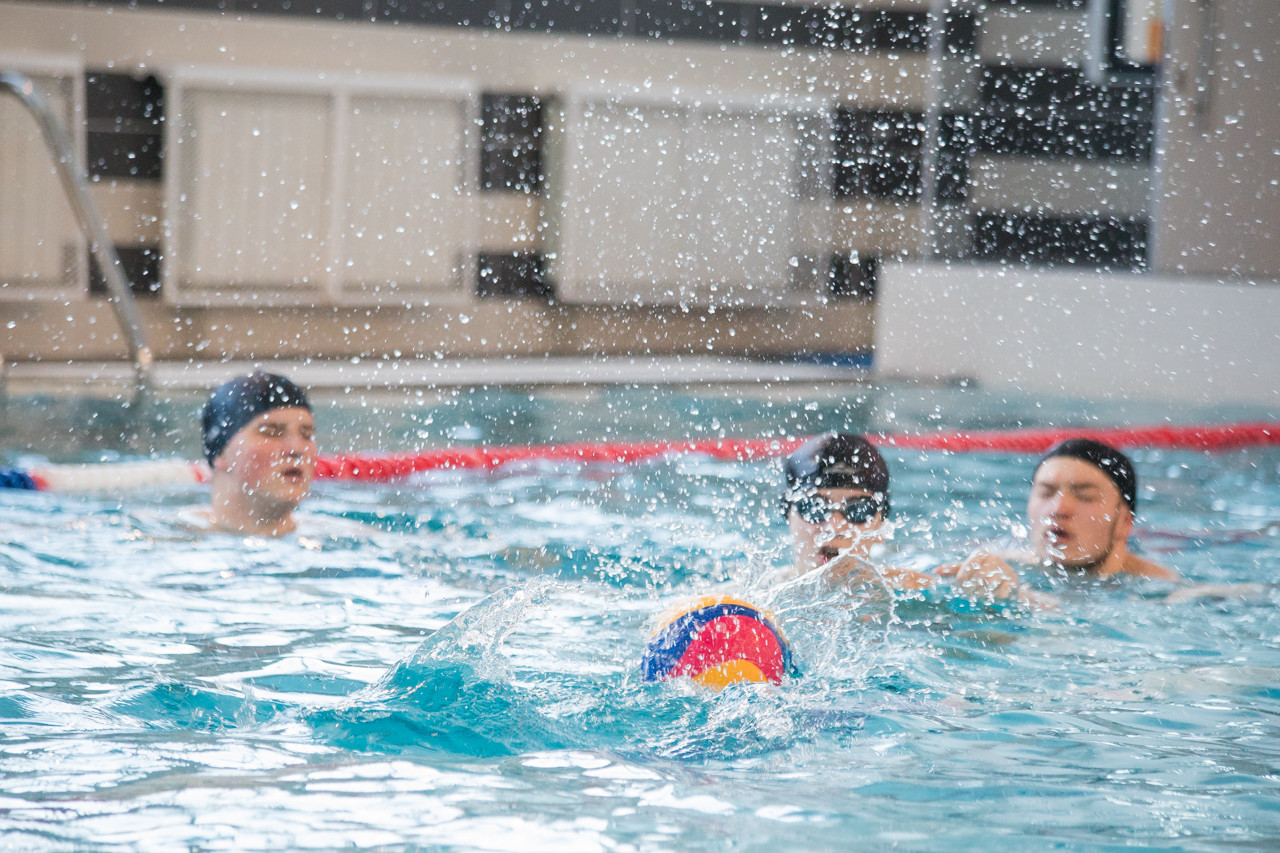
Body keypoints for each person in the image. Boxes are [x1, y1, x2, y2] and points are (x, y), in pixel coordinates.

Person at [941, 438, 1180, 600]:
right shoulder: (998, 563)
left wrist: (1020, 600)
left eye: (1085, 497)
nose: (1058, 509)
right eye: (1046, 493)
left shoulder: (1165, 593)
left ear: (1125, 522)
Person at [772, 432, 933, 593]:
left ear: (881, 524)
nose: (834, 527)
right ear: (787, 513)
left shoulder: (917, 591)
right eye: (815, 508)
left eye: (858, 510)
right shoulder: (764, 593)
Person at [193, 370, 318, 536]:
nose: (296, 449)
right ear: (221, 452)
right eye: (271, 433)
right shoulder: (166, 538)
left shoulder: (338, 535)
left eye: (307, 435)